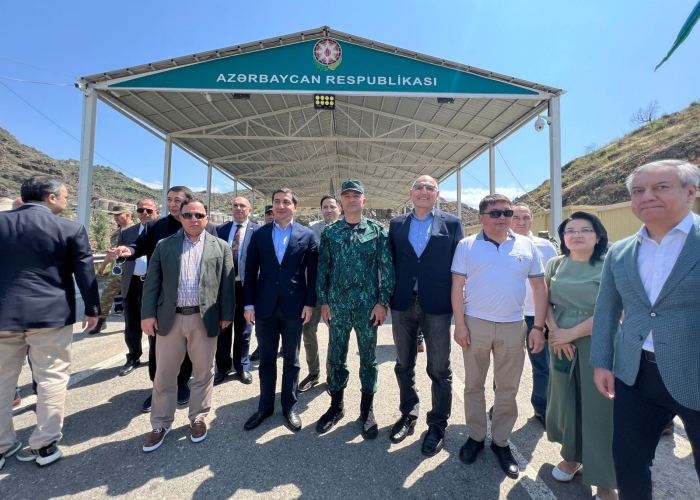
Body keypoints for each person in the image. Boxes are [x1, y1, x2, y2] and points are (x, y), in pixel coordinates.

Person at [591, 159, 700, 500]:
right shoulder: (620, 252)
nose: (647, 196)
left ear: (691, 192)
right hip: (635, 375)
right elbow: (606, 310)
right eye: (638, 191)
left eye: (661, 187)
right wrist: (601, 362)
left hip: (694, 372)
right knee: (629, 461)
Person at [0, 175, 100, 468]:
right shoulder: (69, 228)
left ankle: (2, 445)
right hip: (50, 316)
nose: (67, 201)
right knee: (52, 378)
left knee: (3, 381)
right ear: (51, 198)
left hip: (3, 314)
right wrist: (93, 309)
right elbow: (85, 273)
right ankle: (43, 445)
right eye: (66, 197)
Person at [451, 194, 547, 479]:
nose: (503, 217)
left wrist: (538, 328)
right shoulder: (467, 245)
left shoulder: (527, 245)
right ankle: (476, 437)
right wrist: (460, 324)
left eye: (506, 212)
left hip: (513, 326)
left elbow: (540, 289)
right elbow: (457, 286)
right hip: (475, 324)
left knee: (507, 389)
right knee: (474, 386)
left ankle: (501, 442)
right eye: (495, 213)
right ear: (481, 217)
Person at [111, 186, 217, 413]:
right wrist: (128, 250)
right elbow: (139, 246)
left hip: (194, 300)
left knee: (189, 348)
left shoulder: (208, 229)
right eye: (169, 200)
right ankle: (158, 388)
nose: (171, 204)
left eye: (177, 200)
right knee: (158, 346)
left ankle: (181, 384)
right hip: (163, 299)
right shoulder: (157, 226)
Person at [140, 198, 234, 452]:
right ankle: (160, 423)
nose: (194, 220)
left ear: (206, 218)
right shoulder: (164, 245)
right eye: (188, 215)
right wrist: (147, 314)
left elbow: (227, 285)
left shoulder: (221, 247)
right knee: (165, 373)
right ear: (180, 218)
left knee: (204, 371)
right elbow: (152, 283)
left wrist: (227, 314)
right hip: (170, 318)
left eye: (199, 215)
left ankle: (198, 416)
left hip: (205, 319)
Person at [388, 175, 462, 455]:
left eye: (429, 187)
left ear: (437, 194)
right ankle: (408, 413)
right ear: (410, 193)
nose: (424, 191)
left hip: (438, 305)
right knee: (404, 363)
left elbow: (459, 266)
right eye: (419, 187)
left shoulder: (452, 223)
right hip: (403, 303)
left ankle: (438, 424)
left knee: (439, 369)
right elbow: (391, 262)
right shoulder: (396, 224)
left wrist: (460, 309)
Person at [315, 180, 395, 439]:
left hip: (367, 308)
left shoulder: (377, 231)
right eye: (346, 196)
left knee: (368, 360)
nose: (351, 200)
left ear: (364, 201)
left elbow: (387, 269)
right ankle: (336, 406)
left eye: (356, 196)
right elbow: (323, 270)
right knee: (336, 357)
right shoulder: (330, 232)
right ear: (341, 202)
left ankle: (367, 410)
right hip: (337, 307)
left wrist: (383, 303)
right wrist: (324, 302)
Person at [545, 212, 616, 500]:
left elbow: (613, 309)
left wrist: (570, 334)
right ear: (563, 238)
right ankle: (572, 456)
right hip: (561, 339)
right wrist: (554, 330)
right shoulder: (555, 263)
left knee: (600, 410)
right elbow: (545, 301)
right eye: (569, 230)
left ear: (597, 236)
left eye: (585, 230)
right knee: (566, 401)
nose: (576, 235)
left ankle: (604, 480)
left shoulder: (610, 264)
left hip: (596, 338)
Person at [243, 189, 318, 432]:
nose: (281, 206)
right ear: (272, 207)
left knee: (292, 360)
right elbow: (250, 270)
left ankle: (290, 406)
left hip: (294, 307)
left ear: (295, 207)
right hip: (265, 307)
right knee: (266, 360)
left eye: (286, 202)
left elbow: (313, 274)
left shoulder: (306, 236)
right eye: (277, 202)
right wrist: (249, 304)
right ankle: (265, 406)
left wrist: (309, 303)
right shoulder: (260, 234)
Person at [511, 203, 558, 427]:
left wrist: (548, 319)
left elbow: (553, 282)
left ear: (532, 219)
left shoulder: (545, 246)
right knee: (507, 366)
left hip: (535, 316)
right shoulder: (501, 243)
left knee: (542, 366)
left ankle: (542, 407)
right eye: (516, 217)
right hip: (508, 316)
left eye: (526, 217)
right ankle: (502, 405)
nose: (521, 221)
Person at [214, 197, 259, 386]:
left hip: (247, 287)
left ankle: (242, 366)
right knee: (223, 328)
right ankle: (222, 367)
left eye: (243, 206)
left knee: (244, 329)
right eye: (235, 205)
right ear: (231, 208)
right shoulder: (221, 230)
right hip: (224, 287)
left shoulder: (258, 231)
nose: (239, 208)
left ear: (249, 209)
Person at [299, 194, 342, 392]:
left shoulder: (345, 230)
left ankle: (332, 373)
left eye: (332, 207)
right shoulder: (312, 231)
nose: (329, 210)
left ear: (339, 210)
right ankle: (314, 372)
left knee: (335, 334)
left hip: (337, 293)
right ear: (321, 210)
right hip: (315, 290)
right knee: (308, 331)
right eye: (325, 207)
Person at [114, 199, 159, 376]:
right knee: (131, 324)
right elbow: (121, 257)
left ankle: (155, 359)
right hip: (132, 283)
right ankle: (133, 356)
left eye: (149, 210)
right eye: (141, 210)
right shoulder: (128, 233)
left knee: (153, 324)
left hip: (153, 285)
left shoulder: (159, 230)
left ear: (156, 212)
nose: (145, 214)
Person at [90, 205, 133, 334]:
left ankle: (132, 324)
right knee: (107, 294)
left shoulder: (138, 230)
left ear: (128, 215)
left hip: (132, 269)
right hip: (117, 269)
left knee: (132, 298)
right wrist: (103, 266)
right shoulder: (116, 233)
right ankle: (101, 321)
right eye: (114, 215)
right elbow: (111, 252)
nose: (116, 217)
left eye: (118, 214)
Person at [249, 203, 276, 365]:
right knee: (262, 323)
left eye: (273, 213)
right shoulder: (259, 234)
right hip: (263, 287)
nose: (271, 216)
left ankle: (282, 347)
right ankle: (261, 347)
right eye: (268, 214)